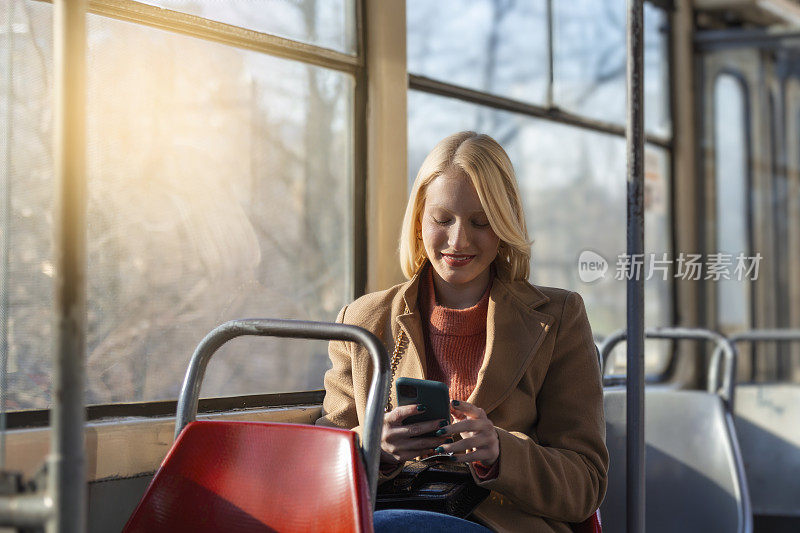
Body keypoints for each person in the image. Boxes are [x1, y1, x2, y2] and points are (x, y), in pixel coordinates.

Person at [317, 131, 608, 532]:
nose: (459, 240)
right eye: (442, 219)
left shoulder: (559, 318)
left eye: (481, 222)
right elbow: (320, 462)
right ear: (419, 221)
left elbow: (585, 484)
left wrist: (500, 453)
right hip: (389, 509)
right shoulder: (363, 320)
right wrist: (372, 446)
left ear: (505, 224)